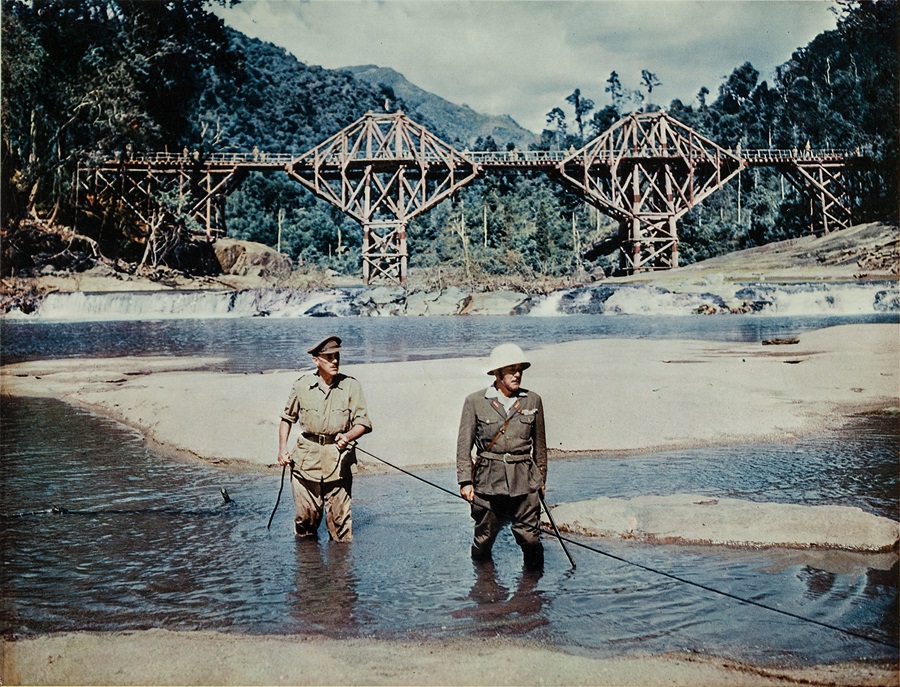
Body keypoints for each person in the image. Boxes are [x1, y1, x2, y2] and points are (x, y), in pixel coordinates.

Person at [456, 343, 548, 569]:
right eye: (511, 369)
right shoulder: (475, 402)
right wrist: (466, 481)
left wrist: (541, 480)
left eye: (520, 369)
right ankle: (484, 588)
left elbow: (540, 447)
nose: (517, 374)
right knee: (484, 537)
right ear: (497, 373)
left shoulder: (532, 400)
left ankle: (533, 592)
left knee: (529, 536)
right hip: (488, 480)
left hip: (524, 480)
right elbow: (463, 446)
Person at [277, 335, 372, 542]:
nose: (335, 361)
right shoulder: (301, 386)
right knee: (305, 520)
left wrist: (347, 436)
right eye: (329, 357)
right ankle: (309, 570)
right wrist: (282, 449)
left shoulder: (350, 386)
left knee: (341, 526)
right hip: (305, 462)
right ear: (316, 360)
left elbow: (363, 423)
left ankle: (341, 573)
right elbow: (286, 419)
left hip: (338, 461)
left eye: (336, 356)